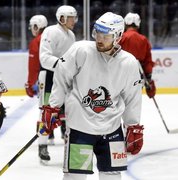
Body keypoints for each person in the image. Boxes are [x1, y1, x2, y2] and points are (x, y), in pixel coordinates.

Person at [40, 12, 144, 180]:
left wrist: (133, 126)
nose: (99, 39)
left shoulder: (129, 63)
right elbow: (61, 77)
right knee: (75, 177)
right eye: (97, 33)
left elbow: (132, 98)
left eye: (105, 35)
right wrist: (53, 106)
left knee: (112, 176)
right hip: (80, 127)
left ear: (117, 36)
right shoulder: (80, 50)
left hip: (112, 128)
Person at [37, 5, 78, 162]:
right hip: (49, 77)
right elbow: (44, 58)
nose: (74, 20)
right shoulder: (51, 31)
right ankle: (42, 145)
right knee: (47, 113)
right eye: (71, 17)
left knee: (69, 114)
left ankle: (70, 146)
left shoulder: (72, 35)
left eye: (74, 17)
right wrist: (64, 65)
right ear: (62, 18)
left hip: (66, 78)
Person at [120, 12, 156, 98]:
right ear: (138, 24)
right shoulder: (143, 39)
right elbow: (148, 62)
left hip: (121, 75)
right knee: (133, 103)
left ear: (125, 23)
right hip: (137, 76)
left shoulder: (121, 37)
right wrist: (149, 78)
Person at [25, 14, 48, 98]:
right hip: (59, 80)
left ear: (36, 26)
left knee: (46, 107)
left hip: (45, 80)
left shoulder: (36, 42)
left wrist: (30, 84)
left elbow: (33, 66)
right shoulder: (54, 37)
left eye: (32, 26)